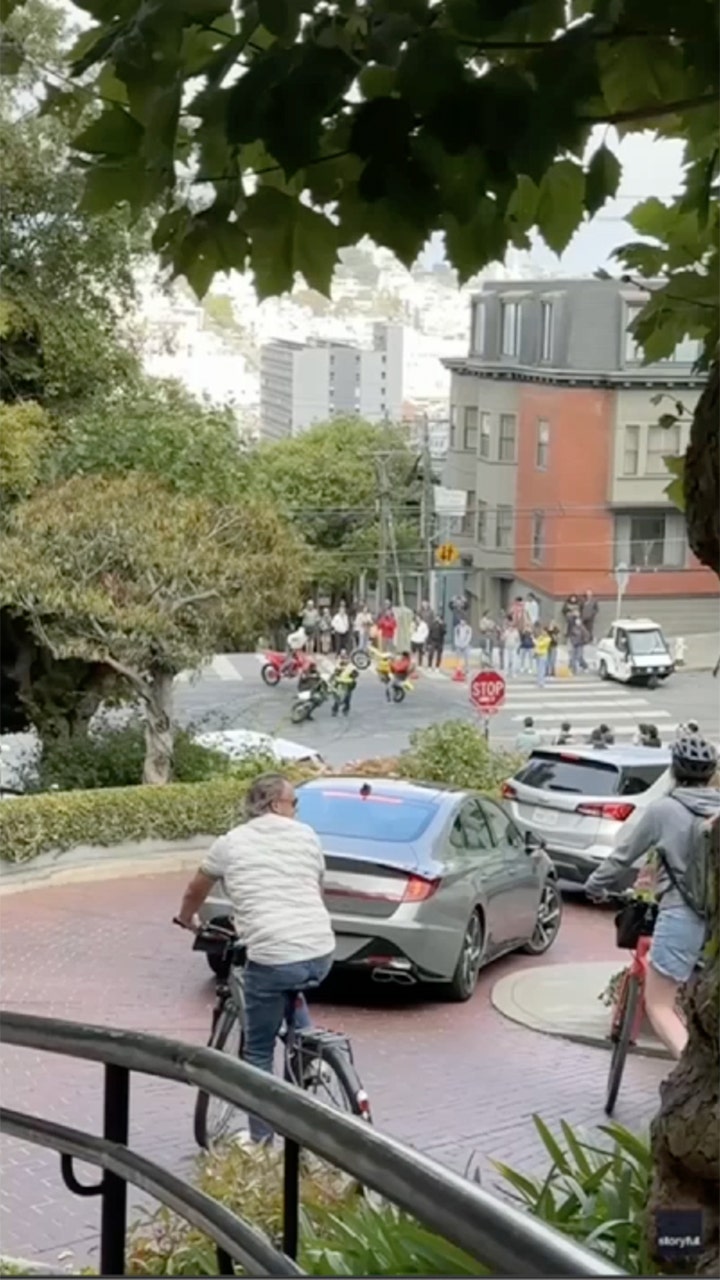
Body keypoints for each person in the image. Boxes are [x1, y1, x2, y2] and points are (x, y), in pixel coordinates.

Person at [174, 773, 335, 1143]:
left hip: (275, 952)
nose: (296, 810)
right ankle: (309, 1054)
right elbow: (315, 887)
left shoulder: (230, 843)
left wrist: (187, 919)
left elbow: (196, 887)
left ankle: (261, 1144)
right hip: (320, 948)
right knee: (291, 982)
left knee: (258, 1051)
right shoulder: (307, 835)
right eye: (294, 803)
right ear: (277, 804)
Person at [585, 733, 720, 1059]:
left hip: (681, 915)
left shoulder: (663, 811)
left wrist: (595, 886)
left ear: (673, 771)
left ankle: (691, 1071)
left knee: (659, 1004)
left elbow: (623, 857)